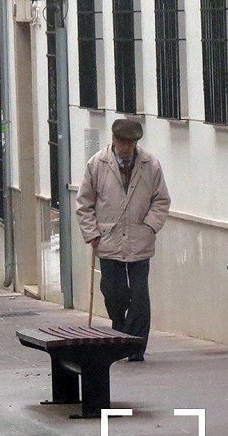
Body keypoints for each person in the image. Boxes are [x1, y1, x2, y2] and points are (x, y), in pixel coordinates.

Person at [76, 119, 170, 362]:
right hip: (109, 239)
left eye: (132, 143)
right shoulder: (97, 164)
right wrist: (92, 233)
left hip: (140, 239)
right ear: (114, 141)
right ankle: (119, 324)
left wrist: (150, 226)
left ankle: (135, 346)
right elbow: (84, 203)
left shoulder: (150, 164)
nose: (127, 147)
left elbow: (161, 200)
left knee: (139, 296)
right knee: (114, 292)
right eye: (123, 142)